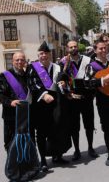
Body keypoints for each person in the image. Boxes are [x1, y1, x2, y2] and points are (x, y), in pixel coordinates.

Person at [28, 41, 71, 172]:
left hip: (56, 104)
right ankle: (43, 160)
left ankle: (57, 156)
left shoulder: (57, 67)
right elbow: (32, 84)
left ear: (50, 54)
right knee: (41, 133)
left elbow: (65, 81)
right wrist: (43, 94)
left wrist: (64, 85)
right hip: (40, 105)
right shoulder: (33, 68)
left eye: (46, 53)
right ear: (38, 55)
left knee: (56, 130)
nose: (44, 56)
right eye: (41, 53)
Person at [59, 40, 98, 161]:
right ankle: (77, 150)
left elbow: (95, 75)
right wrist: (65, 67)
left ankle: (91, 148)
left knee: (89, 125)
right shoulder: (63, 63)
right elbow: (60, 79)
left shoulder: (87, 60)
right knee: (74, 127)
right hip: (72, 99)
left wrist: (93, 93)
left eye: (75, 46)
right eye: (71, 47)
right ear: (67, 49)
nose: (74, 48)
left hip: (86, 98)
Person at [0, 52, 31, 152]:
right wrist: (10, 102)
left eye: (22, 60)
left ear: (25, 61)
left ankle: (26, 164)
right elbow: (0, 94)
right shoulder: (4, 76)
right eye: (17, 60)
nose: (20, 62)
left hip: (26, 115)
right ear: (13, 61)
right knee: (11, 141)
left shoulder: (27, 75)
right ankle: (12, 166)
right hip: (11, 115)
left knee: (26, 141)